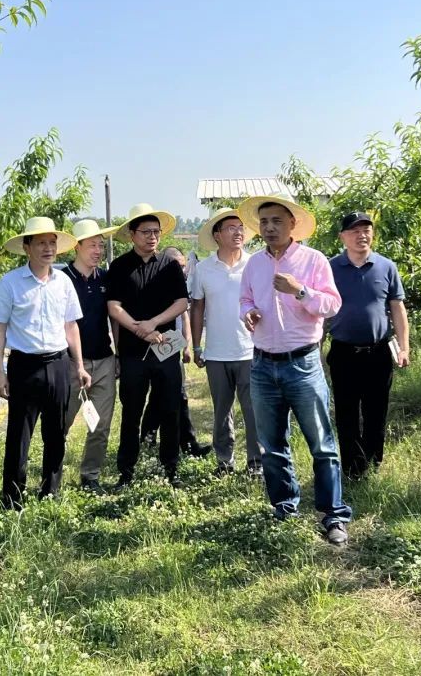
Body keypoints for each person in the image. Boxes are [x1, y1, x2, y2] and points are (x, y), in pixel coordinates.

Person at [238, 196, 352, 546]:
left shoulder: (313, 260)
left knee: (322, 444)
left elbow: (332, 304)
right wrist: (248, 313)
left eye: (276, 221)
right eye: (264, 222)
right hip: (262, 364)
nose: (269, 227)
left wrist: (299, 290)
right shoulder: (254, 264)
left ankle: (333, 515)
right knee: (271, 445)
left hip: (302, 364)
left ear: (292, 225)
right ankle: (285, 507)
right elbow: (245, 299)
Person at [0, 216, 91, 510]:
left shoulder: (63, 282)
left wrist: (79, 365)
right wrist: (0, 372)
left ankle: (50, 491)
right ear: (27, 247)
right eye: (41, 243)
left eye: (52, 243)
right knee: (19, 435)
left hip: (58, 364)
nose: (48, 249)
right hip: (24, 366)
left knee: (56, 432)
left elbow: (71, 326)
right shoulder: (11, 283)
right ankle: (12, 498)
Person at [106, 203, 189, 487]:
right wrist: (139, 330)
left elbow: (182, 302)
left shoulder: (169, 265)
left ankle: (171, 468)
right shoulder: (119, 267)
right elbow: (114, 307)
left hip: (166, 348)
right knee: (131, 411)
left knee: (170, 408)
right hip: (132, 352)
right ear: (132, 234)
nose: (152, 237)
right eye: (146, 232)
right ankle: (126, 471)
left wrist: (153, 322)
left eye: (156, 232)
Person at [326, 211, 410, 477]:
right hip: (343, 352)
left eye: (366, 230)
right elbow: (319, 310)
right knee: (346, 412)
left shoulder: (386, 266)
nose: (361, 235)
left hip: (378, 352)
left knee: (376, 410)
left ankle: (373, 464)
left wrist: (404, 347)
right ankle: (352, 468)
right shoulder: (330, 268)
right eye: (355, 231)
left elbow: (397, 308)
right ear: (342, 236)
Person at [190, 208, 262, 475]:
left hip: (250, 350)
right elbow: (197, 307)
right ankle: (224, 460)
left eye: (240, 227)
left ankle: (256, 462)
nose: (238, 232)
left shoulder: (255, 264)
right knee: (222, 410)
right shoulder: (204, 269)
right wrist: (197, 346)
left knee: (253, 410)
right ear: (217, 235)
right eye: (231, 228)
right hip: (217, 353)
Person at [62, 218, 120, 492]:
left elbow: (114, 318)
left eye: (101, 246)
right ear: (77, 246)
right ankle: (52, 476)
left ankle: (90, 476)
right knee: (61, 422)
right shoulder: (62, 279)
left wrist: (118, 354)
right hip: (70, 363)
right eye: (92, 245)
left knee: (101, 424)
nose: (98, 251)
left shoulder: (106, 279)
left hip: (104, 360)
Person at [139, 246, 213, 459]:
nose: (181, 270)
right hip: (154, 349)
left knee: (176, 395)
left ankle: (181, 442)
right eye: (176, 265)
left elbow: (184, 316)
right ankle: (157, 438)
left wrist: (187, 346)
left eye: (183, 266)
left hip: (173, 350)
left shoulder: (179, 284)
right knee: (163, 395)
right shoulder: (154, 283)